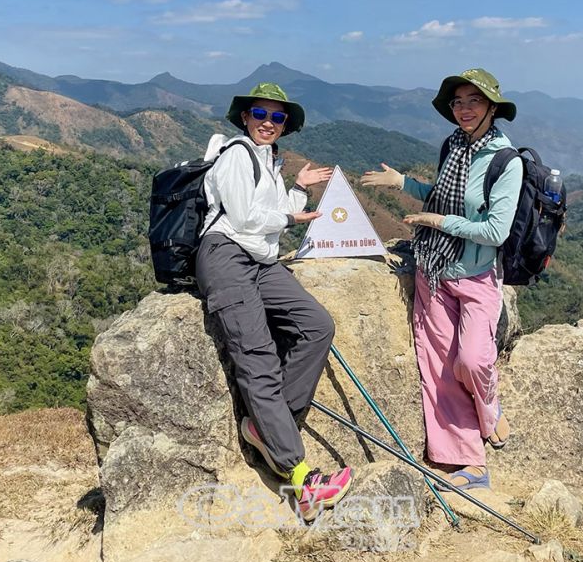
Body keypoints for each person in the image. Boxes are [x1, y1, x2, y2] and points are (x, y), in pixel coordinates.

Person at [195, 82, 353, 520]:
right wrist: (290, 215)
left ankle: (268, 427)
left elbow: (274, 214)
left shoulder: (267, 159)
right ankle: (300, 476)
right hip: (226, 257)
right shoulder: (235, 155)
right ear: (245, 117)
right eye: (261, 114)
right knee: (257, 356)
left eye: (278, 117)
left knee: (316, 325)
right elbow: (245, 217)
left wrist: (297, 189)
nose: (269, 122)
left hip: (260, 260)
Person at [360, 69, 521, 490]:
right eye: (457, 102)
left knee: (472, 360)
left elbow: (495, 231)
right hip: (434, 270)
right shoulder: (453, 146)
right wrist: (402, 183)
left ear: (492, 107)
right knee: (441, 369)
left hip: (476, 275)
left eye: (474, 101)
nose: (464, 109)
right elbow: (443, 194)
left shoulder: (506, 161)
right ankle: (467, 459)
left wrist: (439, 222)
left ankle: (490, 408)